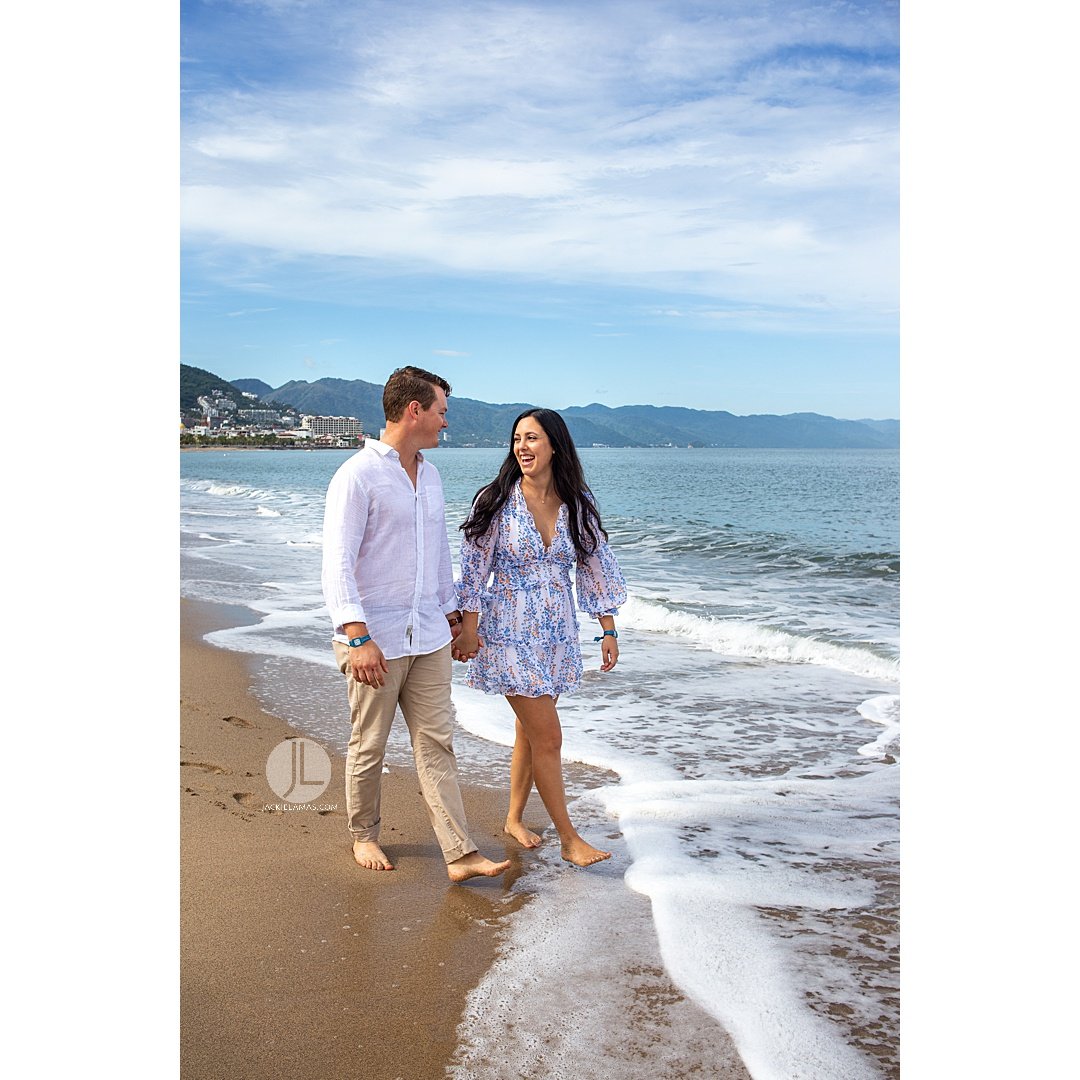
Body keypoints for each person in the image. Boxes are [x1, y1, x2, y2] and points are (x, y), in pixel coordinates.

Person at [321, 366, 510, 883]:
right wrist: (358, 637)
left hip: (426, 636)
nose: (445, 421)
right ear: (414, 410)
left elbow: (438, 554)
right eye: (441, 411)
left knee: (436, 742)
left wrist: (453, 616)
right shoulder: (357, 475)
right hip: (373, 638)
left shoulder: (430, 475)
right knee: (370, 742)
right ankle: (364, 834)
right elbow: (337, 564)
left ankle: (459, 853)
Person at [453, 408, 627, 868]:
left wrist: (607, 628)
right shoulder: (495, 501)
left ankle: (513, 818)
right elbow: (474, 570)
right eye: (516, 439)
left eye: (531, 438)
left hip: (556, 634)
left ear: (554, 445)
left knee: (530, 733)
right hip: (506, 631)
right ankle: (570, 840)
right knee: (549, 736)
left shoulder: (576, 502)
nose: (522, 447)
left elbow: (595, 565)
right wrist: (468, 630)